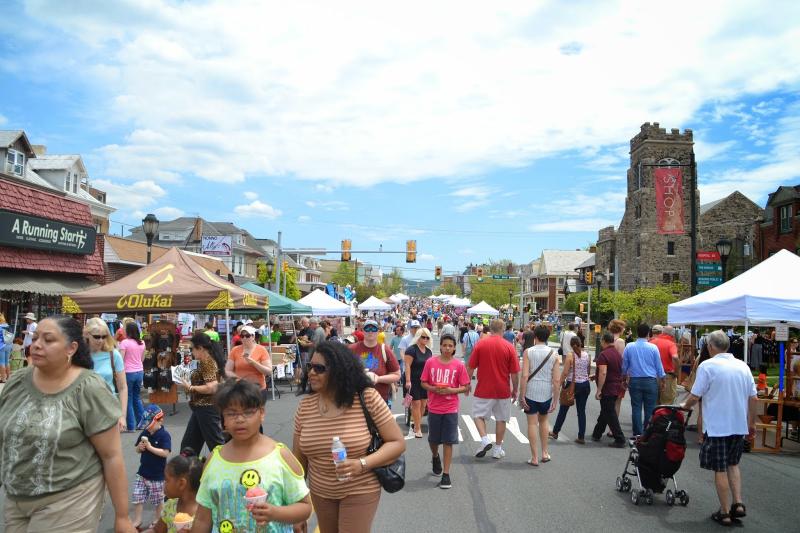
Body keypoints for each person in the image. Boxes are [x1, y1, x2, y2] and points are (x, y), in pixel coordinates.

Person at [0, 316, 135, 532]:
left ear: (71, 348)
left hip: (69, 499)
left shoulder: (89, 388)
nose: (36, 344)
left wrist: (122, 516)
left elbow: (112, 456)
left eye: (48, 340)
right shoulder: (16, 383)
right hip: (16, 499)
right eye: (35, 338)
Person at [293, 341, 405, 533]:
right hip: (321, 492)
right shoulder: (305, 407)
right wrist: (297, 506)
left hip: (360, 488)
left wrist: (362, 463)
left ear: (338, 371)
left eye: (319, 368)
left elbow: (397, 443)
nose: (311, 372)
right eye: (310, 367)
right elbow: (298, 463)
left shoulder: (366, 397)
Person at [193, 379, 312, 532]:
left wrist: (275, 512)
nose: (240, 419)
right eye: (231, 413)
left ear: (261, 413)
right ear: (223, 419)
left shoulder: (280, 456)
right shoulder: (213, 460)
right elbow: (203, 518)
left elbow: (305, 507)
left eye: (248, 412)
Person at [681, 330, 757, 527]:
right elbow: (753, 397)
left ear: (710, 347)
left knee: (720, 468)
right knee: (733, 464)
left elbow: (695, 395)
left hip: (717, 426)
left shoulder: (708, 366)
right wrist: (752, 423)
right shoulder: (743, 366)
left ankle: (724, 512)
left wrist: (684, 407)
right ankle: (738, 502)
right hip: (738, 424)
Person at [420, 333, 470, 489]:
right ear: (440, 346)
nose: (447, 348)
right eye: (445, 345)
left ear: (454, 348)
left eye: (450, 346)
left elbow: (466, 387)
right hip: (434, 407)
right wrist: (433, 388)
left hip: (451, 408)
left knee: (448, 440)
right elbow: (423, 382)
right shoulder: (430, 362)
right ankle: (435, 457)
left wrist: (451, 390)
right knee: (433, 440)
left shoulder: (459, 365)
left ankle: (446, 474)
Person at [469, 319, 521, 460]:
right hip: (502, 389)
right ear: (503, 330)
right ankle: (497, 449)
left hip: (484, 388)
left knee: (478, 415)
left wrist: (467, 383)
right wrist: (515, 389)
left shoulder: (481, 344)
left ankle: (485, 439)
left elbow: (471, 366)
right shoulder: (509, 347)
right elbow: (514, 373)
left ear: (490, 329)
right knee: (501, 419)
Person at [177, 332, 226, 455]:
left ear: (200, 348)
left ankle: (228, 469)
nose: (191, 352)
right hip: (201, 407)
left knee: (216, 446)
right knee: (188, 446)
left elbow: (212, 387)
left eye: (192, 348)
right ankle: (188, 470)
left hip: (207, 408)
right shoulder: (209, 360)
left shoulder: (207, 361)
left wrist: (191, 387)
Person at [518, 325, 559, 465]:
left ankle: (534, 457)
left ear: (535, 337)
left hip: (531, 391)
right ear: (548, 337)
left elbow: (524, 375)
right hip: (546, 392)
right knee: (544, 421)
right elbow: (556, 380)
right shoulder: (554, 354)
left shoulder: (528, 352)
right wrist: (555, 399)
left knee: (532, 423)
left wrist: (522, 394)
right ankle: (545, 452)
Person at [140, 448, 202, 533]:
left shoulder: (203, 516)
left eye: (166, 480)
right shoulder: (170, 506)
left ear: (181, 484)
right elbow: (156, 530)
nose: (163, 483)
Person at [132, 405, 172, 530]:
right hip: (142, 473)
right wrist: (140, 448)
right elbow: (137, 449)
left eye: (150, 424)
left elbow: (165, 453)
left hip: (157, 476)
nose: (147, 427)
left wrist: (150, 448)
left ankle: (157, 519)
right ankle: (138, 520)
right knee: (137, 496)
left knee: (158, 500)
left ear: (160, 420)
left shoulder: (164, 435)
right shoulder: (145, 433)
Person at [622, 323, 665, 437]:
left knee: (636, 407)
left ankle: (637, 433)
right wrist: (662, 380)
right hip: (650, 381)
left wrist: (623, 378)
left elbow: (624, 365)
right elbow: (659, 366)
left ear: (637, 332)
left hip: (635, 380)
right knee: (650, 408)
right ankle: (647, 432)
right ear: (648, 333)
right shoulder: (653, 347)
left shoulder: (629, 346)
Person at [86, 317, 128, 432]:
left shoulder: (113, 355)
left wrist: (122, 416)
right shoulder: (79, 355)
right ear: (86, 334)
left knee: (109, 450)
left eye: (104, 336)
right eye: (96, 336)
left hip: (109, 410)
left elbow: (123, 387)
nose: (100, 340)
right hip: (84, 411)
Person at [550, 336, 592, 443]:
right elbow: (587, 371)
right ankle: (581, 436)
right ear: (581, 343)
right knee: (581, 411)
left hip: (571, 385)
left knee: (563, 409)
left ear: (571, 345)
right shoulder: (587, 355)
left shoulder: (570, 355)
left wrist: (559, 384)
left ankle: (555, 432)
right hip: (585, 385)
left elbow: (565, 372)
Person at [349, 319, 400, 405]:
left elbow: (397, 375)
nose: (370, 331)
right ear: (363, 331)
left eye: (374, 329)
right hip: (356, 400)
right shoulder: (351, 349)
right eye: (367, 329)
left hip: (380, 400)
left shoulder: (385, 350)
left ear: (378, 332)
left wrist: (378, 379)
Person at [591, 332, 626, 447]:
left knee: (610, 413)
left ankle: (620, 438)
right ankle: (597, 433)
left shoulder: (604, 354)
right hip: (617, 386)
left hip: (608, 387)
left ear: (604, 341)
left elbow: (604, 372)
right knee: (605, 411)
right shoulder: (617, 354)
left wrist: (599, 389)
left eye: (601, 341)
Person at [225, 324, 272, 401]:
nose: (244, 338)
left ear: (253, 337)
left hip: (257, 389)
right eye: (242, 336)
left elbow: (269, 371)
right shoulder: (235, 350)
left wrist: (253, 363)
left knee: (256, 412)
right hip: (241, 388)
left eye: (247, 336)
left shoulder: (261, 350)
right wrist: (240, 379)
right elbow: (227, 370)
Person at [404, 327, 433, 437]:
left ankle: (416, 423)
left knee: (423, 405)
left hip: (425, 382)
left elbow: (430, 367)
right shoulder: (411, 349)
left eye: (427, 337)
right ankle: (418, 428)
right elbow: (407, 365)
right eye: (423, 337)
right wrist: (407, 380)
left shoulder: (429, 351)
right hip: (413, 380)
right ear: (418, 337)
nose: (425, 339)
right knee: (416, 403)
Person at [119, 321, 146, 431]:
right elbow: (142, 359)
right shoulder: (142, 343)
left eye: (124, 329)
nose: (123, 330)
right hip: (139, 371)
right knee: (137, 398)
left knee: (128, 398)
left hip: (128, 372)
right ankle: (142, 423)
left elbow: (120, 360)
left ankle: (131, 426)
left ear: (128, 331)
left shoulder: (124, 343)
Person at [650, 325, 679, 405]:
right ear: (672, 334)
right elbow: (675, 357)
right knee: (666, 404)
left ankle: (653, 417)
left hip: (652, 376)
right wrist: (676, 372)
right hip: (667, 376)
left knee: (653, 404)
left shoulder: (651, 342)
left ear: (662, 332)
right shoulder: (671, 344)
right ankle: (663, 417)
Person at [0, 312, 11, 382]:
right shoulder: (8, 326)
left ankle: (3, 379)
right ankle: (9, 378)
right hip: (9, 345)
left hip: (1, 346)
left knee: (1, 362)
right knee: (7, 361)